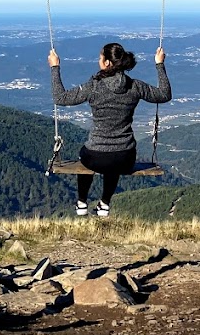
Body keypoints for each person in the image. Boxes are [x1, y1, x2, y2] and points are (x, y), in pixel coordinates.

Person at [48, 41, 171, 218]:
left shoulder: (94, 86)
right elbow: (164, 94)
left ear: (107, 63)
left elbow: (60, 97)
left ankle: (82, 202)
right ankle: (105, 203)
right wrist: (160, 64)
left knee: (85, 154)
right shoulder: (135, 86)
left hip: (95, 157)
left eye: (100, 58)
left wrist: (55, 67)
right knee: (114, 159)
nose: (99, 61)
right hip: (125, 157)